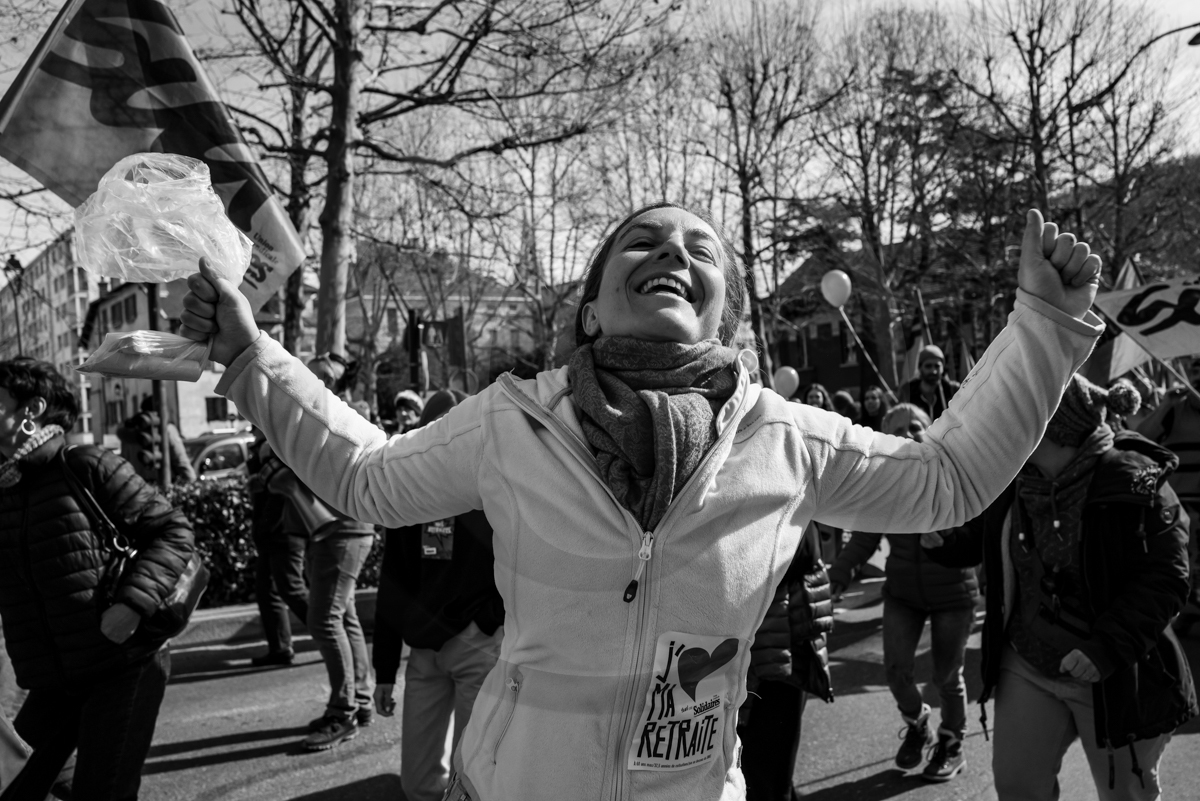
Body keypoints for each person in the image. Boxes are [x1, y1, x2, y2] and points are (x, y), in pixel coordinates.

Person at [178, 203, 1102, 800]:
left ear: (724, 315)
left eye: (699, 249)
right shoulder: (511, 422)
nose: (672, 252)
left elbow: (946, 479)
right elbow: (367, 477)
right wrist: (250, 357)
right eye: (644, 242)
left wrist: (1046, 328)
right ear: (590, 309)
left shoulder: (786, 438)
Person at [924, 374, 1195, 800]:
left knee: (1129, 795)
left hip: (1116, 672)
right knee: (1018, 787)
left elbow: (1167, 578)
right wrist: (943, 541)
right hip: (1029, 660)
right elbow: (980, 540)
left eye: (1013, 417)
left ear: (1048, 426)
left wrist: (1105, 648)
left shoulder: (1135, 481)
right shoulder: (1013, 480)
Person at [0, 358, 195, 800]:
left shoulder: (86, 465)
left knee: (102, 793)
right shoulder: (7, 489)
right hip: (55, 679)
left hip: (124, 664)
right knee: (12, 788)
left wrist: (132, 605)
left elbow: (173, 531)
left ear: (31, 410)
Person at [828, 403, 978, 782]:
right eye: (898, 428)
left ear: (930, 431)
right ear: (884, 435)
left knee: (947, 677)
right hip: (903, 595)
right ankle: (918, 722)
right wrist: (838, 576)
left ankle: (951, 742)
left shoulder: (956, 475)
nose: (909, 432)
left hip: (953, 594)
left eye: (916, 426)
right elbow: (863, 538)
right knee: (896, 672)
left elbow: (980, 534)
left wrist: (949, 539)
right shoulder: (882, 482)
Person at [374, 389, 506, 801]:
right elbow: (393, 580)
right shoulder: (409, 492)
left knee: (473, 780)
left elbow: (525, 565)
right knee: (417, 783)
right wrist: (382, 670)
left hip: (478, 644)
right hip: (425, 651)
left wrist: (491, 622)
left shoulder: (495, 486)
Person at [293, 356, 378, 751]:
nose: (317, 380)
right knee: (343, 617)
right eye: (312, 372)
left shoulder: (346, 414)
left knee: (324, 618)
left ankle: (343, 711)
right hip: (334, 529)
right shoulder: (316, 411)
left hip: (345, 527)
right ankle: (359, 701)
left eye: (325, 376)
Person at [738, 523, 833, 801]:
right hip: (745, 643)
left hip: (782, 646)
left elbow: (801, 551)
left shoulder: (788, 490)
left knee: (767, 771)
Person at [1136, 357, 1200, 631]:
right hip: (1182, 504)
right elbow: (1141, 437)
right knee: (1184, 559)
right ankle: (1187, 610)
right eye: (1194, 371)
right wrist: (1164, 406)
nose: (1197, 377)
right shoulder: (1174, 408)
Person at [245, 428, 309, 668]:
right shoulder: (264, 444)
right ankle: (280, 648)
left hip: (284, 527)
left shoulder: (280, 441)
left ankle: (331, 631)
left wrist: (261, 476)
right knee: (267, 590)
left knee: (290, 588)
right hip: (270, 528)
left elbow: (283, 485)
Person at [115, 395, 197, 486]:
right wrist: (193, 485)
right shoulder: (167, 430)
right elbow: (181, 462)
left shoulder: (128, 433)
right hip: (162, 486)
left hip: (137, 487)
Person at [902, 345, 960, 421]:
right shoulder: (908, 392)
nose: (933, 371)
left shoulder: (953, 390)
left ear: (942, 368)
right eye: (928, 366)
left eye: (937, 366)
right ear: (920, 367)